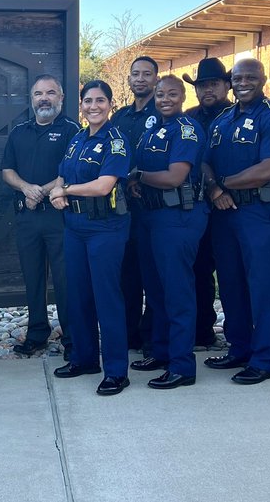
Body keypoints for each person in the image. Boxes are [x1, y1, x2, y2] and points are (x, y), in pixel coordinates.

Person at [201, 58, 270, 385]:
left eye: (250, 77)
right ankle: (238, 348)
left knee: (262, 285)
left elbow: (269, 169)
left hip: (258, 213)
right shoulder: (223, 119)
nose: (242, 82)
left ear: (263, 78)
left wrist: (223, 184)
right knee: (231, 284)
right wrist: (213, 190)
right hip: (223, 212)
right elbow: (204, 162)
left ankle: (264, 359)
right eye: (237, 77)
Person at [49, 80, 132, 396]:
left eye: (100, 100)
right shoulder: (77, 139)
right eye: (88, 101)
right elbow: (62, 173)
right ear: (80, 105)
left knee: (106, 298)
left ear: (109, 104)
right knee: (78, 296)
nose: (93, 106)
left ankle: (115, 371)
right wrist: (59, 191)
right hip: (75, 226)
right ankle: (84, 359)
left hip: (105, 228)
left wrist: (65, 191)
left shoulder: (116, 140)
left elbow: (103, 185)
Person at [129, 76, 208, 389]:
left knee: (177, 291)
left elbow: (175, 176)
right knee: (157, 290)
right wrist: (138, 180)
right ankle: (161, 352)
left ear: (182, 96)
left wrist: (138, 175)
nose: (164, 99)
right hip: (151, 216)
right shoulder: (151, 129)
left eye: (171, 94)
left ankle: (182, 366)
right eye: (160, 94)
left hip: (178, 217)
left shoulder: (187, 129)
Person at [1, 74, 80, 357]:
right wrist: (25, 188)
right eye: (38, 94)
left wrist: (40, 192)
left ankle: (73, 337)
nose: (43, 98)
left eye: (50, 92)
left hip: (58, 217)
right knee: (32, 277)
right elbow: (7, 171)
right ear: (31, 99)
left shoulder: (72, 130)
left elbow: (69, 172)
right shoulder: (19, 132)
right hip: (27, 218)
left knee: (64, 279)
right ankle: (37, 333)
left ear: (61, 97)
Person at [110, 57, 160, 353]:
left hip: (152, 205)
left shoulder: (163, 111)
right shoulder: (121, 117)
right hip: (123, 207)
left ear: (156, 78)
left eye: (147, 74)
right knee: (126, 274)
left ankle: (152, 336)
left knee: (152, 274)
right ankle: (129, 335)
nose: (140, 79)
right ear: (128, 79)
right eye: (135, 74)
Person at [183, 59, 233, 348]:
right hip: (196, 205)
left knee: (230, 270)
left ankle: (237, 329)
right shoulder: (188, 119)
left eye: (213, 83)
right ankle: (202, 329)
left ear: (226, 85)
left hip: (232, 204)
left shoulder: (236, 115)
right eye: (202, 85)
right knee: (198, 269)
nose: (207, 90)